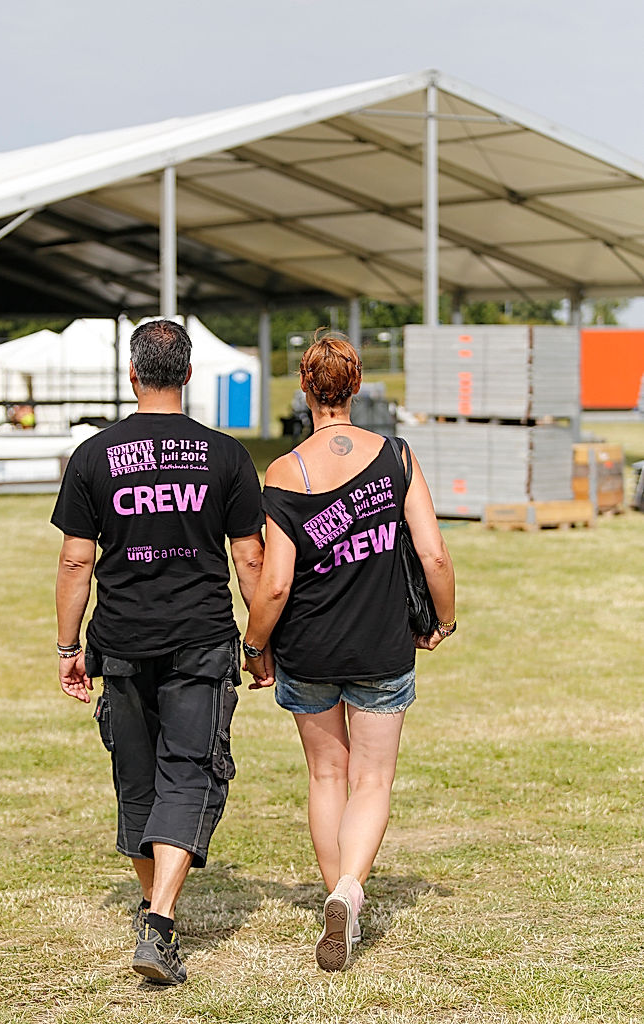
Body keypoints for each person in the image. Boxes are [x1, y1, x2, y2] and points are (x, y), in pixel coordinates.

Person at [51, 319, 264, 986]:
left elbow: (74, 560)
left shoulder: (93, 455)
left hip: (120, 640)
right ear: (191, 377)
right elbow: (250, 559)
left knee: (138, 777)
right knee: (190, 771)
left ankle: (156, 908)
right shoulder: (226, 455)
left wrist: (67, 645)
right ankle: (162, 921)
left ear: (133, 375)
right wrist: (260, 642)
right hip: (201, 636)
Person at [242, 330, 455, 972]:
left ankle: (338, 898)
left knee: (326, 775)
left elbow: (275, 582)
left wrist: (255, 646)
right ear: (356, 388)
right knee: (373, 778)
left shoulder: (284, 472)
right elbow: (434, 552)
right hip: (383, 645)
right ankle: (349, 893)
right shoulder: (396, 456)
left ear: (305, 390)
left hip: (307, 648)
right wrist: (443, 617)